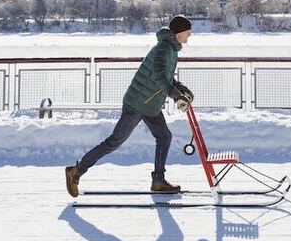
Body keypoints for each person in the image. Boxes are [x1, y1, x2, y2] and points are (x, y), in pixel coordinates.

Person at [65, 15, 195, 196]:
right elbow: (158, 76)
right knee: (113, 142)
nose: (189, 35)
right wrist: (175, 96)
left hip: (150, 105)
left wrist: (182, 90)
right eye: (187, 32)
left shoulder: (171, 49)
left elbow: (166, 77)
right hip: (136, 104)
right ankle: (76, 171)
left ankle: (158, 181)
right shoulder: (164, 49)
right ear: (178, 32)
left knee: (164, 137)